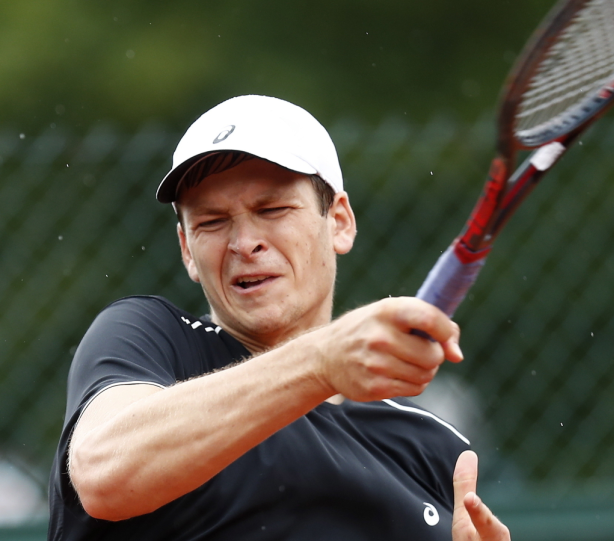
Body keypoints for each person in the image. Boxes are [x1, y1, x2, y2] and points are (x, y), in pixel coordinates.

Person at [48, 95, 511, 541]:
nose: (244, 242)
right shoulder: (149, 337)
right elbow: (104, 473)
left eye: (272, 209)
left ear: (340, 222)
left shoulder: (430, 446)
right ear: (188, 250)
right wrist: (319, 362)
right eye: (211, 222)